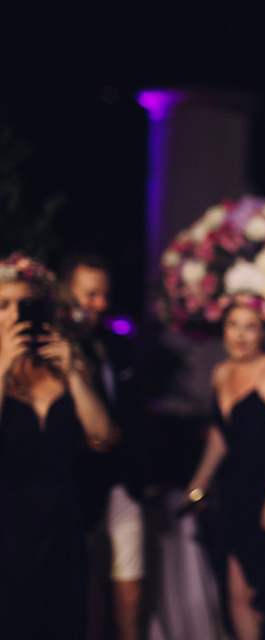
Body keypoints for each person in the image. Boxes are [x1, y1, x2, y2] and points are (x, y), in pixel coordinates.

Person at [0, 253, 113, 639]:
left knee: (63, 620)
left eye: (24, 305)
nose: (15, 315)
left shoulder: (63, 365)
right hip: (8, 522)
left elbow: (103, 438)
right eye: (3, 305)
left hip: (63, 518)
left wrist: (75, 376)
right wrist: (2, 369)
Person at [185, 296, 265, 640]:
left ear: (263, 334)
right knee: (235, 594)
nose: (240, 335)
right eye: (233, 325)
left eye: (250, 327)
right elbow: (219, 437)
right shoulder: (221, 372)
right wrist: (198, 484)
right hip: (234, 496)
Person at [60, 252, 145, 640]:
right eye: (90, 294)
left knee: (130, 587)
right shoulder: (50, 350)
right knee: (85, 593)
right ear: (65, 293)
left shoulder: (115, 343)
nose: (101, 304)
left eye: (104, 295)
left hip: (123, 479)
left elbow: (133, 410)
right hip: (75, 484)